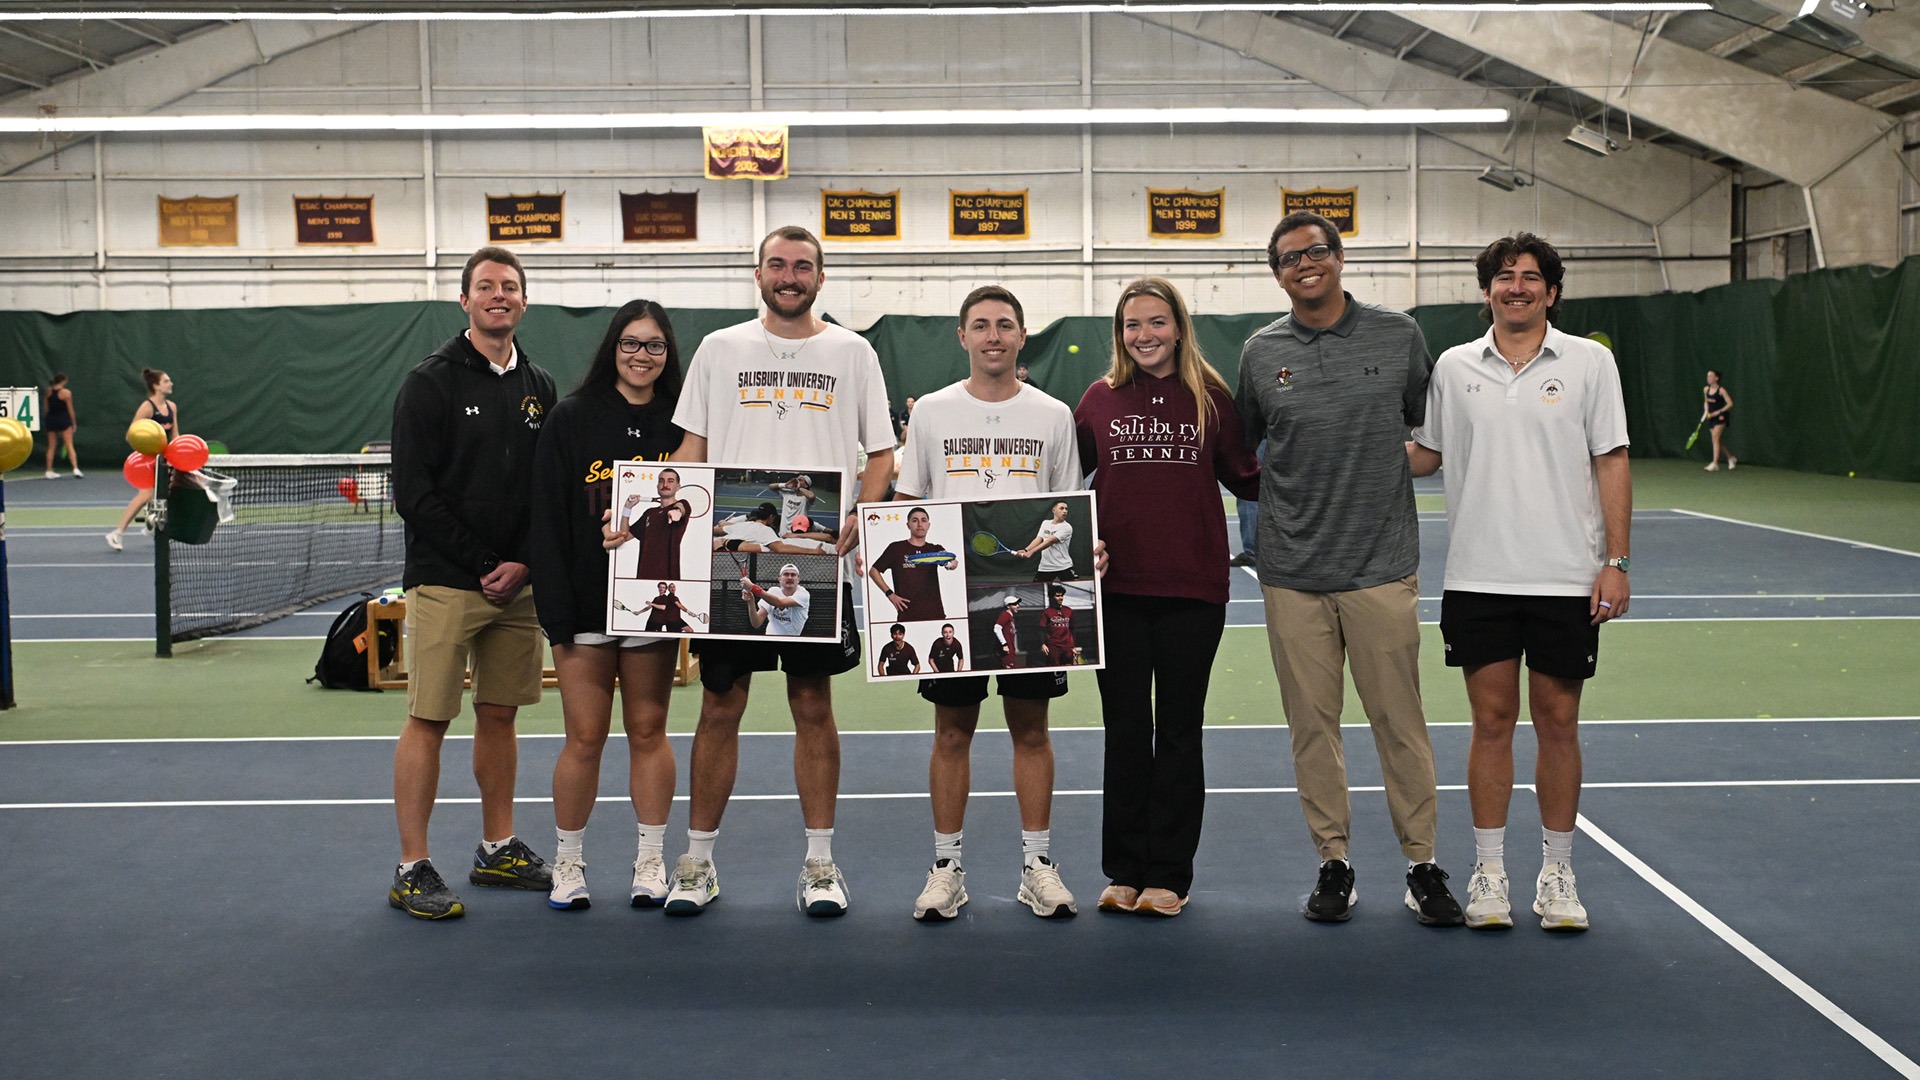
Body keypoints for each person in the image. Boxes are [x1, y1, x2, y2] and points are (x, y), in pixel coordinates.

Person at [1235, 212, 1465, 927]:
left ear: (1338, 257)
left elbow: (1430, 436)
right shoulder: (1259, 352)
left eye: (1317, 251)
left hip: (1381, 570)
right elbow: (1243, 458)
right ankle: (1333, 862)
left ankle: (1422, 863)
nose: (1305, 264)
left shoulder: (1398, 336)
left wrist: (1379, 469)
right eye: (1289, 258)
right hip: (1292, 574)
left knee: (1400, 722)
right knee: (1313, 727)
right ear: (1276, 272)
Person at [664, 225, 894, 917]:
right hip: (728, 560)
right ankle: (697, 862)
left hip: (819, 562)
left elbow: (880, 454)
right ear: (757, 273)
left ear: (821, 278)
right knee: (719, 706)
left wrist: (864, 510)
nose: (789, 275)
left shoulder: (853, 352)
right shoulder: (718, 349)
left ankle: (820, 865)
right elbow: (692, 449)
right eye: (777, 264)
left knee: (813, 706)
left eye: (802, 266)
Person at [1408, 234, 1631, 933]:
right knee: (1492, 724)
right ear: (1487, 292)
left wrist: (1615, 562)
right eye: (1504, 277)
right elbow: (1425, 455)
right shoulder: (1452, 366)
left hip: (1567, 578)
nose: (1517, 287)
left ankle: (1558, 874)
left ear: (1552, 293)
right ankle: (1491, 871)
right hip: (1478, 577)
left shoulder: (1591, 364)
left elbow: (1613, 460)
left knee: (1559, 723)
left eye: (1531, 278)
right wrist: (1342, 437)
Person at [1075, 276, 1260, 917]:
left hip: (1193, 591)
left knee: (1180, 732)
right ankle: (1124, 870)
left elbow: (1247, 476)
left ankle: (1170, 876)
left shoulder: (1211, 398)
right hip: (1116, 591)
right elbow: (1059, 486)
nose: (1144, 335)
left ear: (1178, 327)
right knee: (1125, 732)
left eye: (1156, 322)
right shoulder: (1099, 399)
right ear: (1119, 334)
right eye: (1132, 325)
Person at [894, 284, 1081, 921]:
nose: (993, 336)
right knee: (952, 732)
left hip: (1028, 596)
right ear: (963, 337)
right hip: (951, 599)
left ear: (1022, 336)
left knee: (1032, 729)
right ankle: (946, 867)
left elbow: (1068, 511)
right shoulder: (933, 414)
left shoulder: (1054, 415)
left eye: (1005, 325)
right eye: (981, 325)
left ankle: (1037, 864)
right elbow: (909, 501)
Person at [385, 247, 557, 919]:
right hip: (446, 581)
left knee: (500, 714)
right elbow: (414, 494)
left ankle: (496, 846)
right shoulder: (429, 383)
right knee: (429, 717)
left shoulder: (539, 385)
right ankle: (411, 865)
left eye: (509, 287)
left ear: (523, 301)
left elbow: (548, 489)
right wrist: (485, 562)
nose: (498, 295)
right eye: (485, 286)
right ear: (465, 301)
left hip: (518, 588)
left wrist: (524, 563)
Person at [530, 297, 686, 912]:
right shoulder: (570, 419)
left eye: (653, 345)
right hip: (587, 604)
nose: (641, 355)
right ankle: (568, 863)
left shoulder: (684, 423)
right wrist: (557, 611)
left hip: (654, 604)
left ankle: (651, 858)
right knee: (584, 736)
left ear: (667, 354)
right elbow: (545, 516)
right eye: (630, 343)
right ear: (612, 348)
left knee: (649, 729)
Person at [105, 368, 176, 551]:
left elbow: (174, 436)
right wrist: (146, 453)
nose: (171, 384)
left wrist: (177, 456)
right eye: (167, 381)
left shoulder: (172, 407)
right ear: (156, 386)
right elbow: (131, 435)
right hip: (146, 460)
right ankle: (117, 533)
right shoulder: (147, 408)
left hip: (164, 459)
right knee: (145, 494)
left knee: (169, 492)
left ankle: (150, 525)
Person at [867, 505, 955, 621]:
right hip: (907, 615)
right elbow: (873, 571)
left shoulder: (935, 549)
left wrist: (950, 564)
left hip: (935, 613)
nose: (919, 524)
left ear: (928, 525)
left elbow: (951, 561)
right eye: (915, 520)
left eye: (923, 520)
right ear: (908, 525)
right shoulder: (896, 548)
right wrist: (890, 594)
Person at [624, 467, 691, 578]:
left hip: (668, 577)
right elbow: (624, 536)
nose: (665, 484)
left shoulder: (683, 504)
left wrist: (677, 512)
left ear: (678, 486)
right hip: (643, 576)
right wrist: (627, 508)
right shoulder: (649, 513)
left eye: (670, 481)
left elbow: (681, 508)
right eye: (661, 480)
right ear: (657, 486)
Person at [744, 562, 812, 636]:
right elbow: (756, 623)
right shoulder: (773, 592)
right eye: (786, 574)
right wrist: (751, 601)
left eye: (793, 575)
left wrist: (753, 587)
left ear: (798, 580)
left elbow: (779, 603)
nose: (789, 577)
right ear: (779, 579)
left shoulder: (803, 594)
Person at [1019, 501, 1077, 581]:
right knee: (1037, 591)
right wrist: (1026, 550)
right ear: (1054, 510)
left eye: (1066, 509)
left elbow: (1050, 541)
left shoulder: (1067, 527)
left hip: (1063, 566)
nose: (1065, 511)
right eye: (1061, 508)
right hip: (1045, 567)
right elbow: (1038, 539)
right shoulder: (1045, 523)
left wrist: (1032, 551)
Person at [42, 373, 81, 479]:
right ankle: (76, 469)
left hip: (51, 419)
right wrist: (73, 422)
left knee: (51, 446)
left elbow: (46, 408)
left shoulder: (48, 392)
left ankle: (48, 471)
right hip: (63, 420)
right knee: (69, 445)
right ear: (63, 381)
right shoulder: (66, 393)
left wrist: (49, 418)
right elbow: (70, 410)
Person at [1702, 369, 1736, 472]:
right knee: (1717, 441)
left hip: (1721, 417)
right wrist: (1706, 410)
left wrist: (1718, 412)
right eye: (1708, 376)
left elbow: (1730, 404)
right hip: (1711, 417)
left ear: (1716, 378)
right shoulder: (1706, 390)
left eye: (1711, 376)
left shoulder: (1721, 390)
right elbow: (1706, 402)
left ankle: (1715, 464)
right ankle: (1731, 458)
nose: (1709, 378)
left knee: (1715, 438)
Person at [1040, 584, 1079, 666]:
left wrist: (1073, 646)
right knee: (1055, 668)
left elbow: (1072, 629)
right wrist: (1043, 644)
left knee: (1069, 667)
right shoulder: (1046, 612)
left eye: (1061, 595)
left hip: (1068, 646)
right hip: (1054, 646)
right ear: (1051, 597)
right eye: (1057, 596)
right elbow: (1042, 629)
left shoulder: (1069, 610)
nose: (1060, 598)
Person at [993, 596, 1024, 669]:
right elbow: (997, 628)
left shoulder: (1010, 617)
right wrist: (1004, 644)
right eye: (1014, 604)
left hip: (1010, 650)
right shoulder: (1005, 615)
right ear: (1008, 606)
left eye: (1018, 604)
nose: (1017, 606)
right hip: (1006, 651)